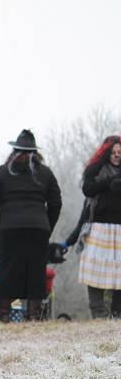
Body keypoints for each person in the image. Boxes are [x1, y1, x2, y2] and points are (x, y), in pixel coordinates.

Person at [0, 130, 62, 322]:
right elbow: (56, 202)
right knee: (36, 270)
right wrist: (46, 226)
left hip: (9, 229)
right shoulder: (45, 173)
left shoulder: (2, 172)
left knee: (8, 270)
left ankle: (3, 314)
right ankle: (33, 315)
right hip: (38, 228)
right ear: (35, 152)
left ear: (14, 151)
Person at [79, 136, 121, 318]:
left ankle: (117, 312)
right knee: (95, 272)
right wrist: (109, 183)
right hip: (100, 227)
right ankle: (98, 313)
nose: (117, 156)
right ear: (106, 153)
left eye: (119, 153)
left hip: (120, 228)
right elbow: (88, 189)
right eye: (113, 152)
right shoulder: (97, 170)